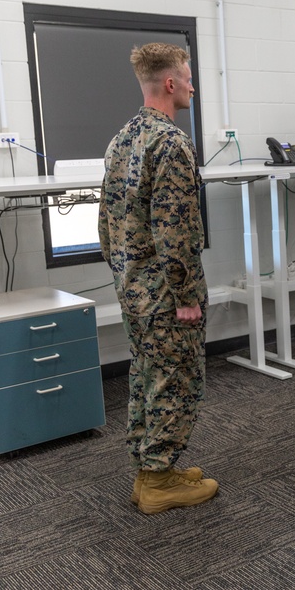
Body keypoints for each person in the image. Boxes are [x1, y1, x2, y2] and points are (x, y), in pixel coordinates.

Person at [99, 42, 218, 514]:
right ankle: (158, 480)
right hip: (166, 292)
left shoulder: (122, 138)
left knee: (146, 374)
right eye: (188, 78)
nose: (192, 85)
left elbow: (106, 218)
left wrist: (122, 274)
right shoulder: (170, 141)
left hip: (133, 286)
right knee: (176, 377)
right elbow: (177, 228)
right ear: (171, 84)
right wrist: (186, 294)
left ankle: (152, 466)